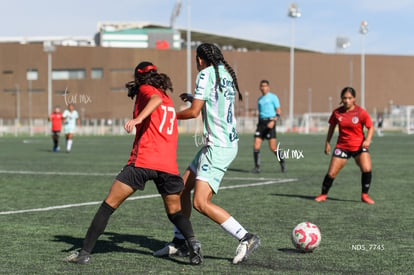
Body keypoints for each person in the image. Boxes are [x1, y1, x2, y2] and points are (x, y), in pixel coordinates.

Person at [64, 61, 202, 265]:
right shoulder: (167, 98)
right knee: (175, 213)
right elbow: (162, 104)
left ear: (139, 77)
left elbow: (153, 99)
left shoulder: (149, 91)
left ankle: (84, 253)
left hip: (144, 161)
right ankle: (193, 243)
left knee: (108, 206)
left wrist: (137, 120)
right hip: (168, 166)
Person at [154, 43, 260, 264]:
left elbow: (194, 113)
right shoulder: (226, 75)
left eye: (196, 59)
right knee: (182, 189)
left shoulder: (205, 73)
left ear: (200, 60)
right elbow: (213, 103)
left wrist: (168, 114)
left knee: (200, 203)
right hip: (222, 143)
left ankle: (246, 237)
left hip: (217, 147)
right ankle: (181, 241)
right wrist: (194, 98)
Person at [315, 87, 375, 204]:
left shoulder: (361, 112)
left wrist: (367, 140)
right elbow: (332, 127)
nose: (347, 100)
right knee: (331, 173)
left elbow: (370, 127)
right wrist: (327, 142)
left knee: (367, 169)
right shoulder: (337, 113)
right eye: (344, 98)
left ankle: (364, 195)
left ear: (354, 99)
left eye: (349, 98)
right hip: (342, 147)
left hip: (359, 147)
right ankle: (323, 194)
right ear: (341, 99)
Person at [252, 80, 285, 173]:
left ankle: (282, 162)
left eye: (265, 86)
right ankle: (257, 167)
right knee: (256, 145)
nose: (263, 87)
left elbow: (279, 111)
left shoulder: (273, 97)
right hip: (261, 124)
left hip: (271, 122)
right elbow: (260, 113)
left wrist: (273, 121)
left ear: (268, 87)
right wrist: (258, 123)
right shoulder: (259, 100)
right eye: (262, 86)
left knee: (273, 147)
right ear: (260, 87)